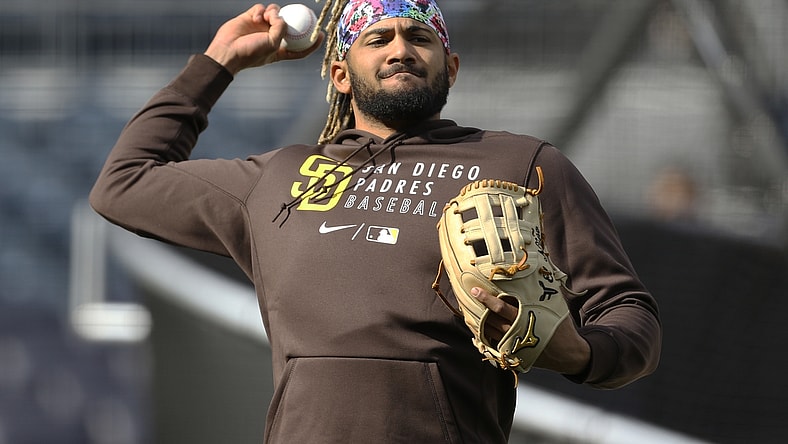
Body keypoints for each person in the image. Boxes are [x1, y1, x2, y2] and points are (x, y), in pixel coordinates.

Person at [90, 1, 662, 442]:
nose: (401, 49)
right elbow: (124, 184)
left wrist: (583, 354)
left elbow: (630, 316)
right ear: (340, 73)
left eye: (420, 37)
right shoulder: (282, 177)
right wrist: (219, 62)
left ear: (451, 68)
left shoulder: (521, 163)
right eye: (377, 38)